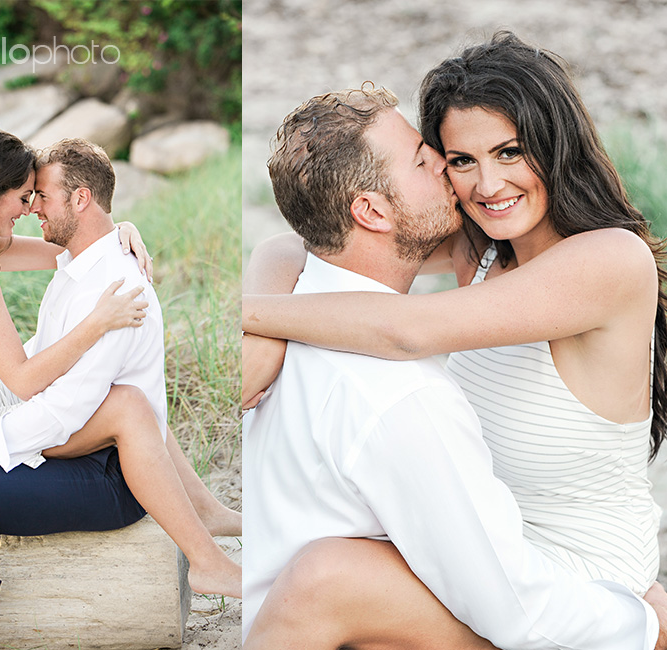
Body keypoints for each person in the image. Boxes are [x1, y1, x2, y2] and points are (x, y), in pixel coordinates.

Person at [242, 32, 667, 644]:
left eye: (510, 152)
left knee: (329, 578)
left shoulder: (610, 262)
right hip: (485, 559)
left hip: (575, 591)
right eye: (461, 161)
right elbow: (290, 245)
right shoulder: (484, 247)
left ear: (555, 144)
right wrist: (262, 336)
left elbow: (406, 332)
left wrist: (253, 320)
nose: (487, 186)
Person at [0, 129, 240, 649]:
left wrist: (118, 227)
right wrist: (96, 321)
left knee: (124, 404)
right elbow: (28, 379)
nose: (29, 210)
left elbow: (69, 250)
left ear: (79, 198)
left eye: (37, 197)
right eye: (23, 196)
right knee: (114, 407)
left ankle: (205, 524)